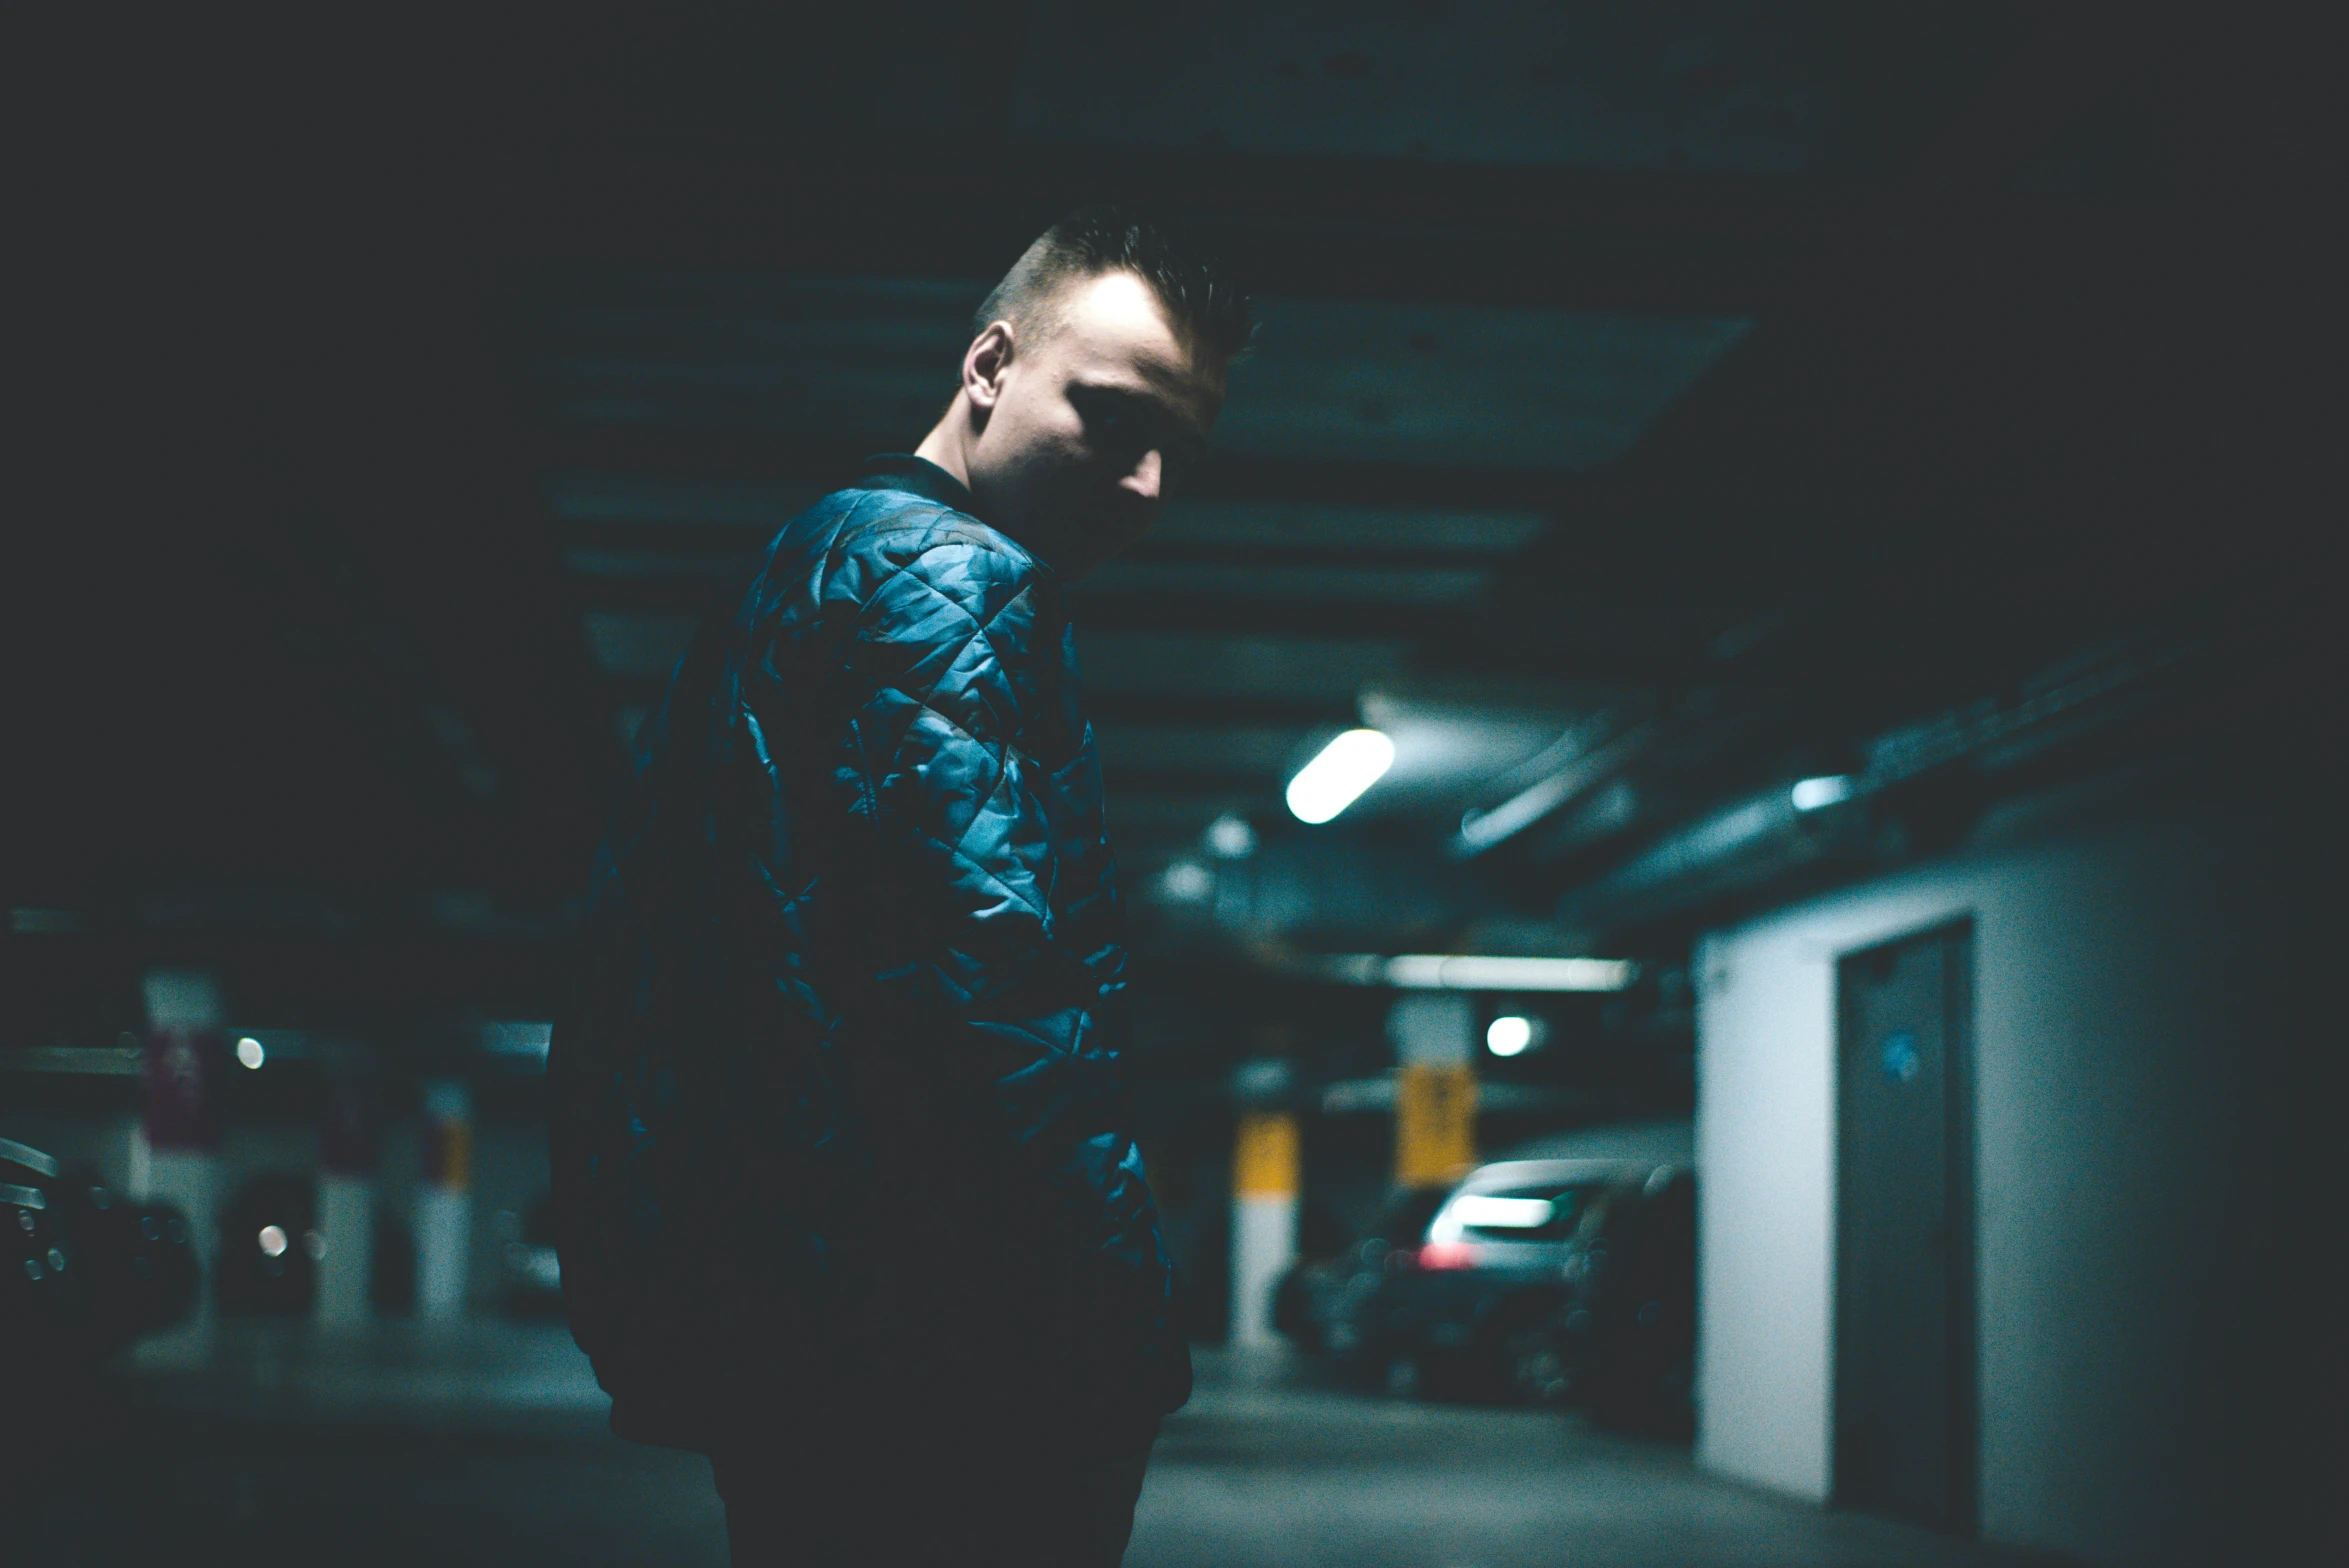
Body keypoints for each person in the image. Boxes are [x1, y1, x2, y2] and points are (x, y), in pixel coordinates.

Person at [546, 210, 1250, 1567]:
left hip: (802, 1324)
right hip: (941, 1349)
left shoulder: (808, 559)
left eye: (1183, 450)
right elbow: (997, 1004)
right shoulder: (943, 574)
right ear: (988, 365)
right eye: (1110, 417)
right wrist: (1124, 1341)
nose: (1152, 483)